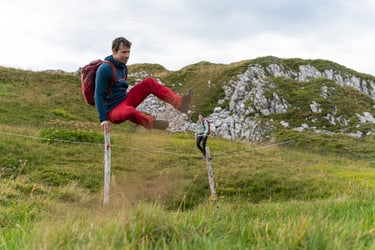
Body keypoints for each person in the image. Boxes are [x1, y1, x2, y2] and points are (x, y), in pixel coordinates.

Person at [94, 37, 192, 133]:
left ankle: (180, 103)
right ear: (114, 51)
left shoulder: (123, 67)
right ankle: (151, 123)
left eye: (128, 52)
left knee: (149, 82)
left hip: (125, 100)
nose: (127, 55)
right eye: (123, 52)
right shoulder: (104, 69)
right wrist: (103, 119)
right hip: (113, 111)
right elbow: (98, 95)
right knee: (130, 111)